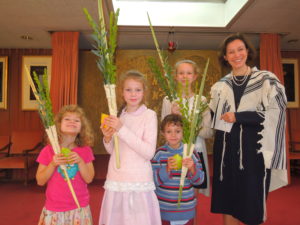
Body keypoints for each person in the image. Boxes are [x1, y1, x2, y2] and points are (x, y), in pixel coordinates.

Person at [209, 33, 287, 225]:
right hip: (225, 156)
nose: (236, 55)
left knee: (252, 205)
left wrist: (240, 116)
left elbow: (277, 112)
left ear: (248, 52)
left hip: (254, 155)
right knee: (227, 201)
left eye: (240, 49)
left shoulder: (266, 80)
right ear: (225, 57)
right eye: (231, 52)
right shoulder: (219, 87)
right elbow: (211, 121)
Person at [99, 70, 161, 225]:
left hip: (138, 179)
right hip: (117, 177)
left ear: (144, 92)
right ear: (121, 92)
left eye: (138, 90)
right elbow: (114, 151)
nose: (133, 94)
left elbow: (148, 152)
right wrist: (107, 138)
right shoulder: (119, 116)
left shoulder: (149, 115)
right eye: (128, 89)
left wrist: (121, 129)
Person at [161, 59, 213, 197]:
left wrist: (191, 126)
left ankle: (192, 219)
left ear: (195, 76)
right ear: (175, 76)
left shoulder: (201, 101)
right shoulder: (169, 100)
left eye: (189, 73)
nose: (185, 76)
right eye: (181, 73)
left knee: (192, 194)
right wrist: (172, 117)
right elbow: (164, 130)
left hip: (196, 151)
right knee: (173, 191)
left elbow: (208, 132)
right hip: (174, 153)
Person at [36, 104, 95, 225]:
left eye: (76, 120)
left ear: (82, 128)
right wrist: (53, 164)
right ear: (58, 124)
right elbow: (40, 181)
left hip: (78, 207)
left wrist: (80, 161)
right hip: (55, 209)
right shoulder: (48, 150)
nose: (72, 122)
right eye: (67, 119)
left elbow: (89, 178)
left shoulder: (85, 150)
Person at [151, 114, 205, 225]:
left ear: (183, 132)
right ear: (163, 133)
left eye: (177, 131)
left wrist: (192, 169)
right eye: (169, 131)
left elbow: (199, 181)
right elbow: (152, 181)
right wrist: (167, 169)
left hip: (186, 209)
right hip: (164, 210)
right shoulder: (159, 154)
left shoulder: (190, 153)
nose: (173, 135)